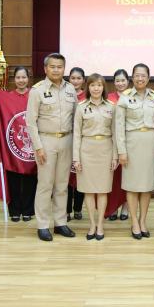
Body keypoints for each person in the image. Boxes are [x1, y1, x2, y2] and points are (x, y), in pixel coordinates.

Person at [28, 54, 77, 241]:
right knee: (45, 185)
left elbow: (76, 119)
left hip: (66, 141)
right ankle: (42, 225)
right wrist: (38, 147)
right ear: (45, 69)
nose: (56, 70)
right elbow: (31, 122)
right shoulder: (37, 91)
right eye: (52, 66)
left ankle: (60, 223)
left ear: (64, 69)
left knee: (62, 185)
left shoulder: (71, 90)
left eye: (60, 66)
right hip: (46, 142)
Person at [115, 63, 154, 240]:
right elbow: (118, 127)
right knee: (132, 186)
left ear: (148, 78)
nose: (140, 78)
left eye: (143, 75)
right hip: (131, 144)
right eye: (136, 75)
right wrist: (121, 151)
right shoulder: (125, 98)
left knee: (147, 186)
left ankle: (143, 221)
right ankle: (134, 222)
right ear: (132, 78)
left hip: (150, 144)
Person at [73, 74, 118, 241]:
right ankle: (92, 224)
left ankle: (100, 224)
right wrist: (76, 158)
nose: (96, 88)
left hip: (106, 151)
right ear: (88, 88)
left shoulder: (111, 107)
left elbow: (115, 133)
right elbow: (77, 134)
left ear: (103, 88)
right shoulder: (81, 107)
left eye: (99, 85)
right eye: (93, 85)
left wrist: (115, 156)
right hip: (86, 151)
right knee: (89, 190)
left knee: (103, 190)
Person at [7, 67, 36, 223]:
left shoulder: (34, 95)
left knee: (31, 178)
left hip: (32, 143)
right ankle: (14, 210)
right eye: (18, 77)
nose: (21, 80)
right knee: (14, 177)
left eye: (24, 77)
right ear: (14, 79)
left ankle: (28, 210)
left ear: (28, 78)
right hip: (14, 144)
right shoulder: (7, 97)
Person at [106, 69, 130, 221]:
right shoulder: (108, 98)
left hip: (129, 143)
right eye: (117, 81)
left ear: (128, 81)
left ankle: (126, 206)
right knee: (113, 177)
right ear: (114, 82)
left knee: (127, 177)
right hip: (111, 144)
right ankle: (112, 207)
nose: (120, 83)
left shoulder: (133, 97)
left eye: (123, 80)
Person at [66, 67, 86, 220]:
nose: (76, 81)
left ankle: (78, 208)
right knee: (66, 176)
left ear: (83, 80)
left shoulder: (89, 95)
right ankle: (66, 210)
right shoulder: (64, 93)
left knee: (80, 173)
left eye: (79, 78)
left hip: (84, 140)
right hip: (66, 138)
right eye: (73, 78)